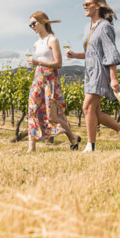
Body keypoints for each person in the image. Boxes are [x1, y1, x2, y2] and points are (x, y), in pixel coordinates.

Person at [65, 0, 120, 152]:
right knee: (94, 111)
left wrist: (113, 78)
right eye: (83, 5)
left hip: (100, 71)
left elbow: (110, 53)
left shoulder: (105, 27)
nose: (85, 7)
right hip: (89, 72)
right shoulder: (87, 28)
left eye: (88, 4)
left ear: (98, 6)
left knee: (87, 107)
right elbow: (91, 52)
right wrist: (75, 55)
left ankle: (91, 146)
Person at [25, 11, 81, 152]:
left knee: (52, 116)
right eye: (30, 24)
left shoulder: (52, 40)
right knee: (32, 110)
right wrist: (37, 65)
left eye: (34, 23)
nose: (32, 26)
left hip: (50, 79)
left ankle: (72, 137)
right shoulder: (36, 44)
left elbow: (58, 63)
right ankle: (31, 148)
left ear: (43, 22)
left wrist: (38, 61)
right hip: (38, 78)